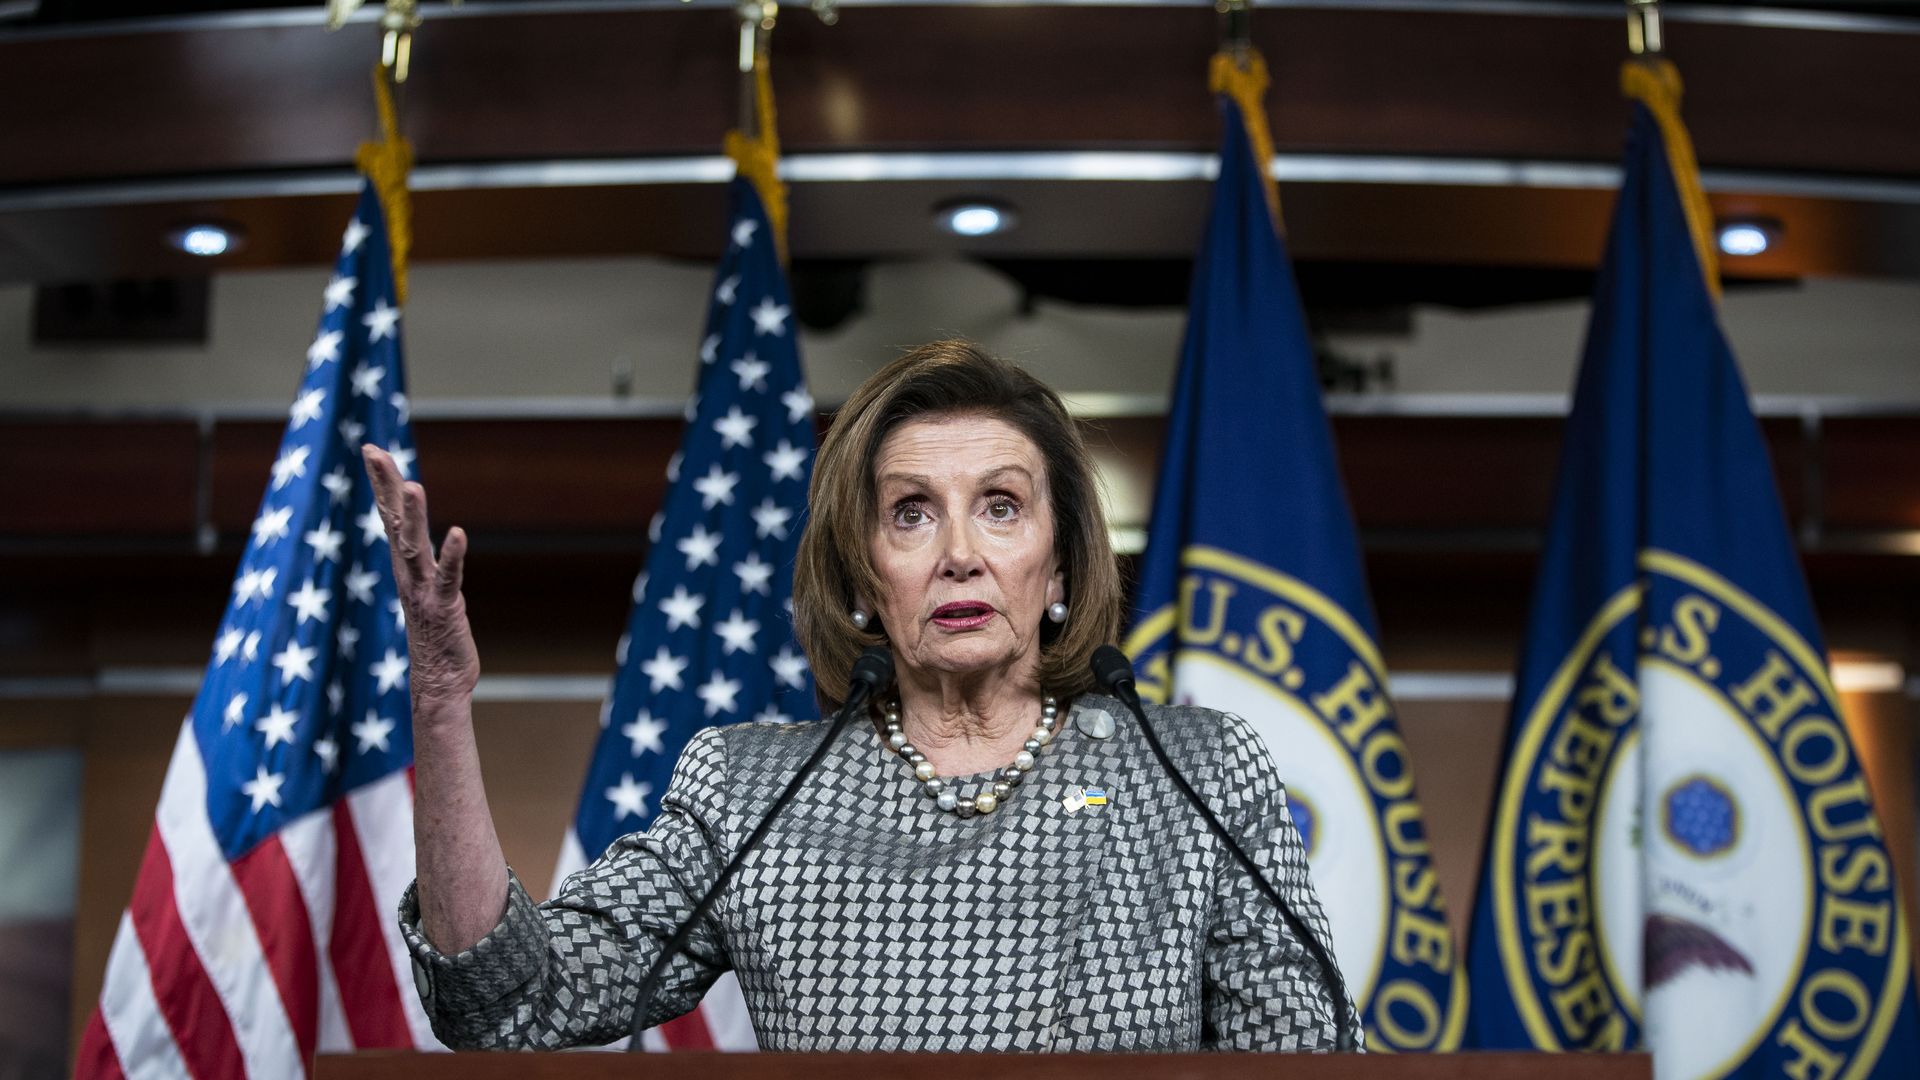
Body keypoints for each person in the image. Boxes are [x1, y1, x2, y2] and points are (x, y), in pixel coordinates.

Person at [366, 340, 1359, 1052]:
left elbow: (1306, 1047)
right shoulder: (751, 792)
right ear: (858, 576)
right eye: (912, 514)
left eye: (1001, 507)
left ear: (1058, 570)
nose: (961, 554)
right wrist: (442, 705)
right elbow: (506, 1006)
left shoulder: (1192, 775)